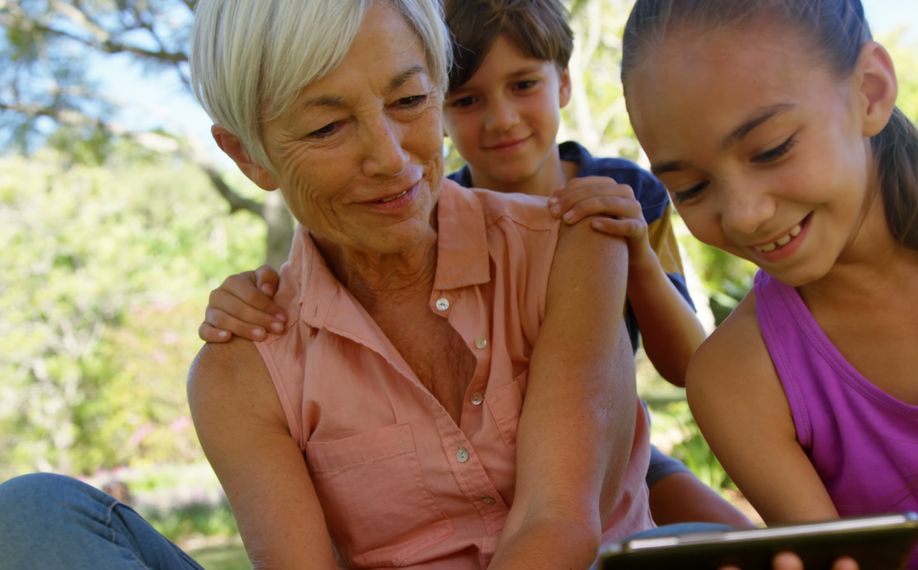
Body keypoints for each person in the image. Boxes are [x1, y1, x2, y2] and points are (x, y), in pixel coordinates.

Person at [0, 1, 656, 568]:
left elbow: (559, 520)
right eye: (326, 128)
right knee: (29, 513)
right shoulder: (241, 372)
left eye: (408, 101)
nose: (391, 158)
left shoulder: (575, 243)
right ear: (248, 155)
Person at [197, 0, 751, 528]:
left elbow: (687, 367)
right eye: (467, 100)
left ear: (563, 82)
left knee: (742, 537)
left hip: (612, 436)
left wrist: (632, 255)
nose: (502, 120)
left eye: (409, 100)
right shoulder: (405, 212)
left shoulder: (618, 197)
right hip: (547, 468)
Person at [619, 1, 918, 569]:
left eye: (771, 149)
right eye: (689, 188)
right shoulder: (734, 379)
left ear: (870, 91)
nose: (742, 216)